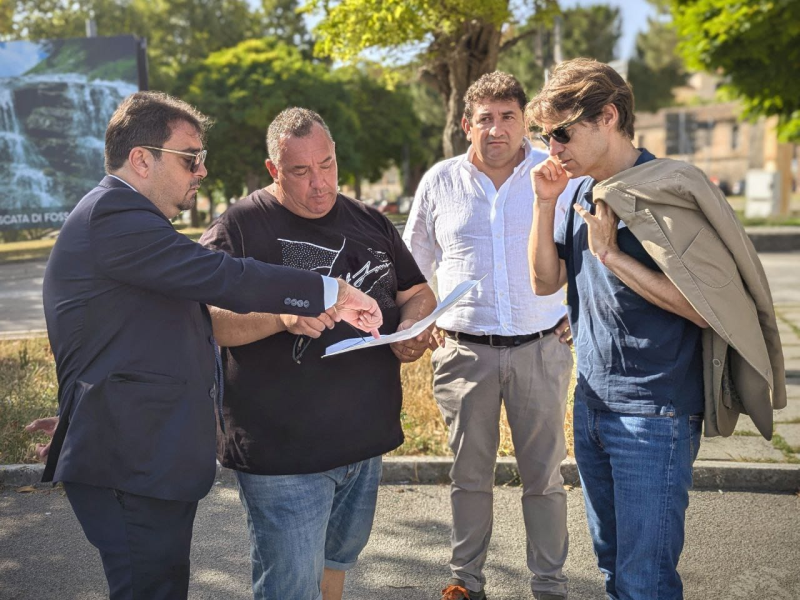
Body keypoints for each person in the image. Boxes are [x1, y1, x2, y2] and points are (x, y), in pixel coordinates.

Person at [29, 91, 382, 600]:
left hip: (137, 454)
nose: (201, 171)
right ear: (142, 159)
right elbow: (223, 276)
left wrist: (84, 412)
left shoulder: (125, 222)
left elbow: (109, 339)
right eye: (191, 157)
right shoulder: (115, 215)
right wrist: (332, 290)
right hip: (133, 464)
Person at [526, 58, 785, 599]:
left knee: (645, 580)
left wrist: (611, 255)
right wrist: (544, 203)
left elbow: (706, 307)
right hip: (593, 402)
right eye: (546, 137)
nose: (553, 149)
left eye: (562, 133)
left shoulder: (666, 191)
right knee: (614, 569)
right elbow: (543, 281)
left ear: (608, 117)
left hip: (654, 413)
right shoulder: (577, 193)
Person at [199, 107, 437, 600]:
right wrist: (282, 316)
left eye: (326, 164)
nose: (319, 183)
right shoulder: (241, 227)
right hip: (282, 454)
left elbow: (416, 291)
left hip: (362, 445)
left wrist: (412, 326)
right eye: (301, 172)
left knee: (334, 566)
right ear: (274, 170)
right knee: (289, 588)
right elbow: (208, 321)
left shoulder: (370, 220)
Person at [403, 72, 578, 600]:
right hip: (463, 353)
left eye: (508, 117)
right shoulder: (440, 182)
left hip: (541, 349)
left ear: (525, 121)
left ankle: (548, 585)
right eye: (485, 118)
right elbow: (412, 264)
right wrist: (418, 317)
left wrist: (578, 308)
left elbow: (587, 249)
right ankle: (465, 581)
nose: (497, 129)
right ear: (466, 124)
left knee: (544, 478)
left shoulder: (557, 176)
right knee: (468, 474)